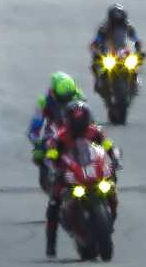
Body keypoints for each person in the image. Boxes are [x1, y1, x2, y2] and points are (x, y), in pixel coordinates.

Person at [41, 101, 119, 259]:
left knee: (110, 186)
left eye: (81, 121)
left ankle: (110, 220)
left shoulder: (95, 131)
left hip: (91, 169)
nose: (78, 125)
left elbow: (107, 145)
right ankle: (51, 243)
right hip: (68, 173)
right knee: (54, 203)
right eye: (75, 121)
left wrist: (115, 157)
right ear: (68, 121)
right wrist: (51, 164)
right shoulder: (60, 135)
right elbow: (51, 151)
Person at [28, 71, 86, 172]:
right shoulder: (44, 101)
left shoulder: (79, 96)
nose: (67, 103)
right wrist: (37, 142)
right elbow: (35, 125)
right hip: (54, 132)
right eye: (63, 100)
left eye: (70, 99)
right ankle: (50, 173)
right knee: (39, 155)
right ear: (53, 93)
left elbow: (89, 115)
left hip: (76, 130)